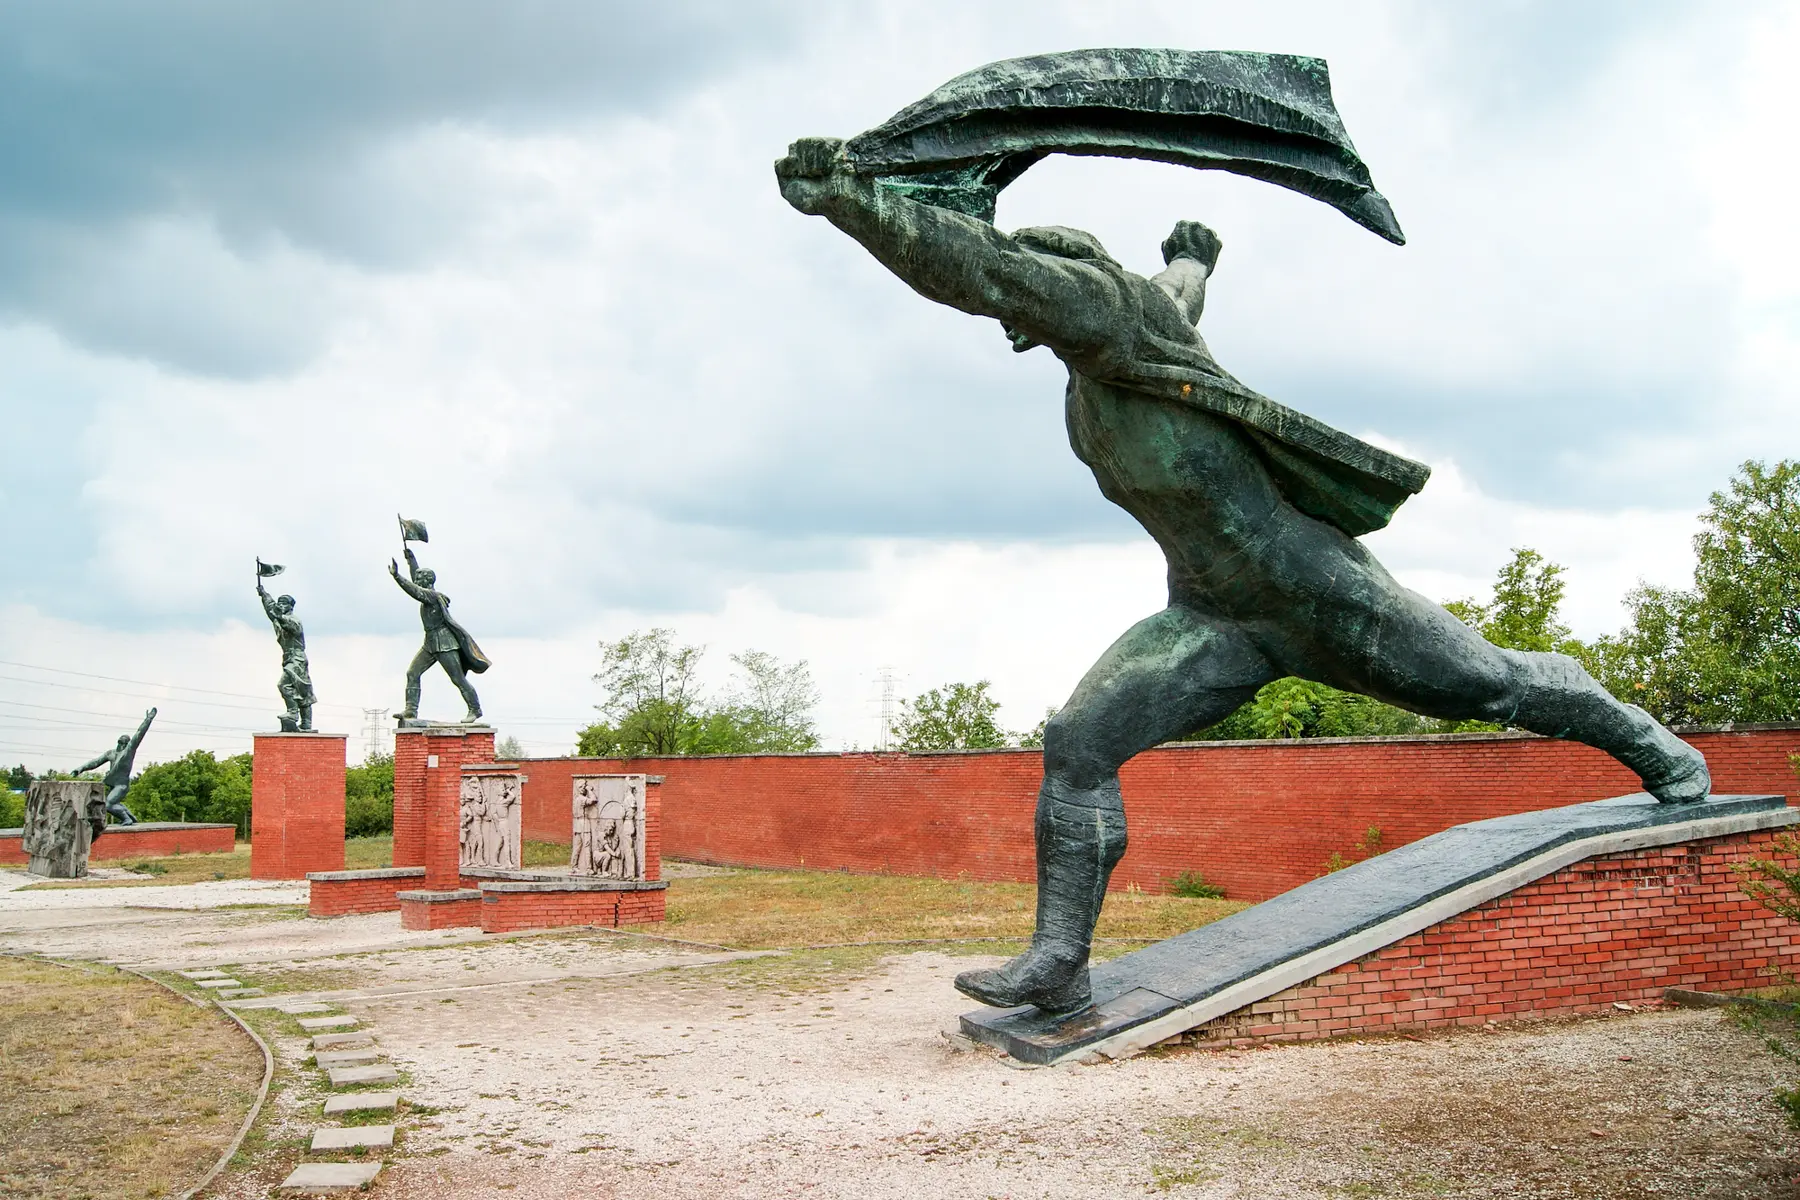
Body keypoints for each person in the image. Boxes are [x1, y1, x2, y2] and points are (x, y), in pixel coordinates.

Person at [775, 137, 1710, 1015]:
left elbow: (978, 269)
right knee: (1079, 742)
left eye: (1031, 299)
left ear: (1068, 281)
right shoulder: (1119, 354)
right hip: (1214, 616)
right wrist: (1194, 258)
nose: (1014, 321)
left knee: (1486, 683)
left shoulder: (1100, 314)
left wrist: (851, 201)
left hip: (1321, 596)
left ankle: (1654, 747)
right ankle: (1060, 964)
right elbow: (1178, 291)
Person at [389, 546, 486, 723]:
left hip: (444, 642)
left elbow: (414, 590)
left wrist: (397, 576)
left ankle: (475, 709)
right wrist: (411, 560)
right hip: (430, 643)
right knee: (412, 673)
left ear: (427, 581)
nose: (416, 580)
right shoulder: (428, 593)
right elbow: (415, 585)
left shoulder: (432, 596)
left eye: (420, 578)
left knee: (457, 678)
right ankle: (411, 710)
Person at [73, 708, 158, 827]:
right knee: (106, 802)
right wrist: (80, 769)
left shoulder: (128, 752)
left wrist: (148, 719)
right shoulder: (111, 753)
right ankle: (131, 817)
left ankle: (127, 819)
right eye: (119, 742)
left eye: (123, 743)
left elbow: (139, 734)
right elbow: (95, 762)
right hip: (112, 783)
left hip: (122, 785)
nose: (120, 745)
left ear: (126, 744)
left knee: (108, 804)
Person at [256, 577, 315, 732]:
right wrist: (264, 594)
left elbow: (290, 626)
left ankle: (293, 712)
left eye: (284, 603)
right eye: (279, 602)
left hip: (297, 658)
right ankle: (306, 723)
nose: (280, 605)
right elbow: (270, 609)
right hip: (289, 657)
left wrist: (279, 615)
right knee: (301, 690)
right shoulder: (278, 618)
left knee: (286, 685)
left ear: (290, 606)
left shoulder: (293, 620)